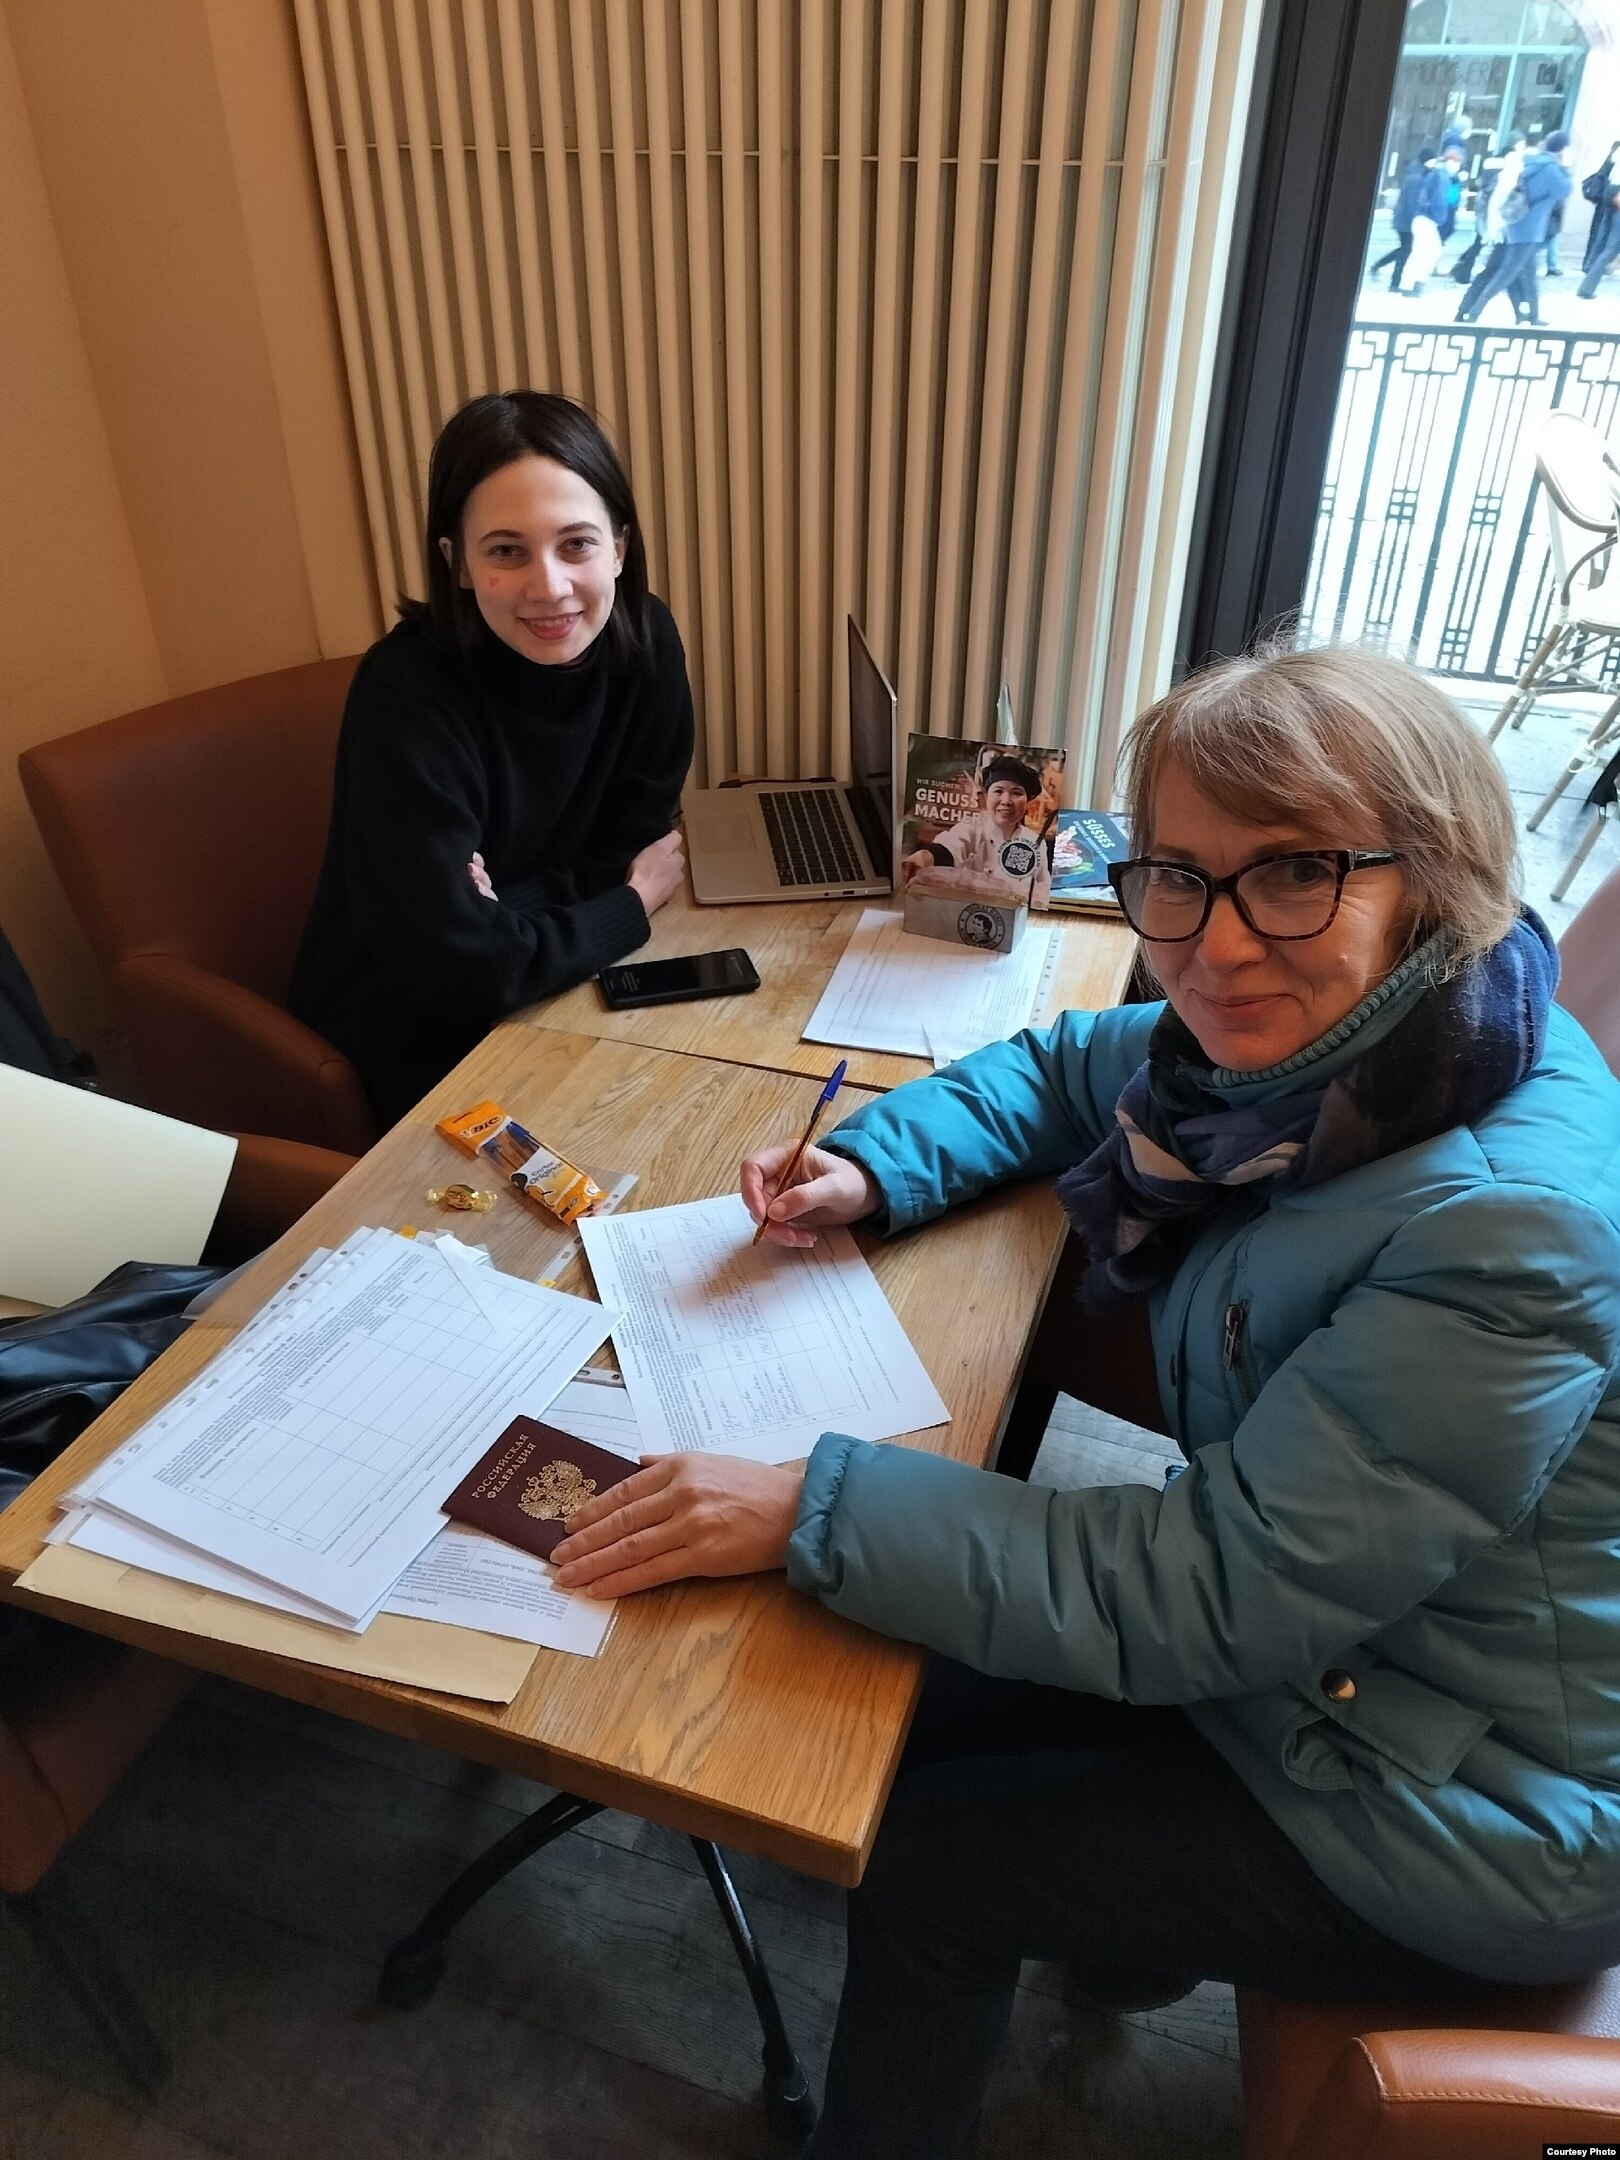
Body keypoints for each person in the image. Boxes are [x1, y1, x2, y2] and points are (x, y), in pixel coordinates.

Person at [550, 644, 1620, 2160]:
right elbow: (1071, 1065)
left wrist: (810, 1501)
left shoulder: (1505, 1230)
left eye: (1294, 873)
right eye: (1178, 877)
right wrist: (876, 1163)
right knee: (890, 1697)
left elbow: (1216, 1596)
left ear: (1434, 882)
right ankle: (1125, 1952)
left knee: (935, 1859)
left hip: (1472, 1803)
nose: (1216, 945)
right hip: (1345, 1661)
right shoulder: (1381, 1045)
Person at [291, 392, 694, 1127]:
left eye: (576, 544)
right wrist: (627, 906)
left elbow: (631, 846)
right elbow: (459, 969)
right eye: (506, 551)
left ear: (619, 548)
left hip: (557, 982)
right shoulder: (405, 693)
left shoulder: (647, 641)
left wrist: (507, 907)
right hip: (413, 1035)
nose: (549, 587)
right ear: (459, 563)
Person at [900, 752, 1052, 905]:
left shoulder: (1035, 842)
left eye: (1016, 793)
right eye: (998, 791)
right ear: (986, 796)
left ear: (1027, 801)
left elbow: (1041, 891)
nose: (1006, 801)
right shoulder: (973, 827)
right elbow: (950, 847)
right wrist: (925, 856)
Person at [1456, 129, 1573, 325]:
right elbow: (1564, 190)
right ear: (1562, 149)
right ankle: (1472, 312)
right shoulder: (1551, 169)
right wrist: (1566, 167)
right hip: (1530, 229)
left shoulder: (1531, 162)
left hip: (1516, 225)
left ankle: (1531, 316)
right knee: (1504, 275)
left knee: (1526, 274)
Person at [1370, 151, 1429, 291]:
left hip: (1403, 219)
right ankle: (1394, 282)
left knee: (1404, 249)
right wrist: (1417, 218)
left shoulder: (1415, 173)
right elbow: (1413, 202)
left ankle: (1380, 267)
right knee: (1405, 250)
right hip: (1407, 220)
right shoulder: (1417, 177)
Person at [1582, 139, 1620, 275]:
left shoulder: (1613, 155)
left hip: (1606, 195)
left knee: (1599, 233)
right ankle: (1595, 265)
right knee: (1606, 236)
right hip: (1613, 195)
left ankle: (1590, 264)